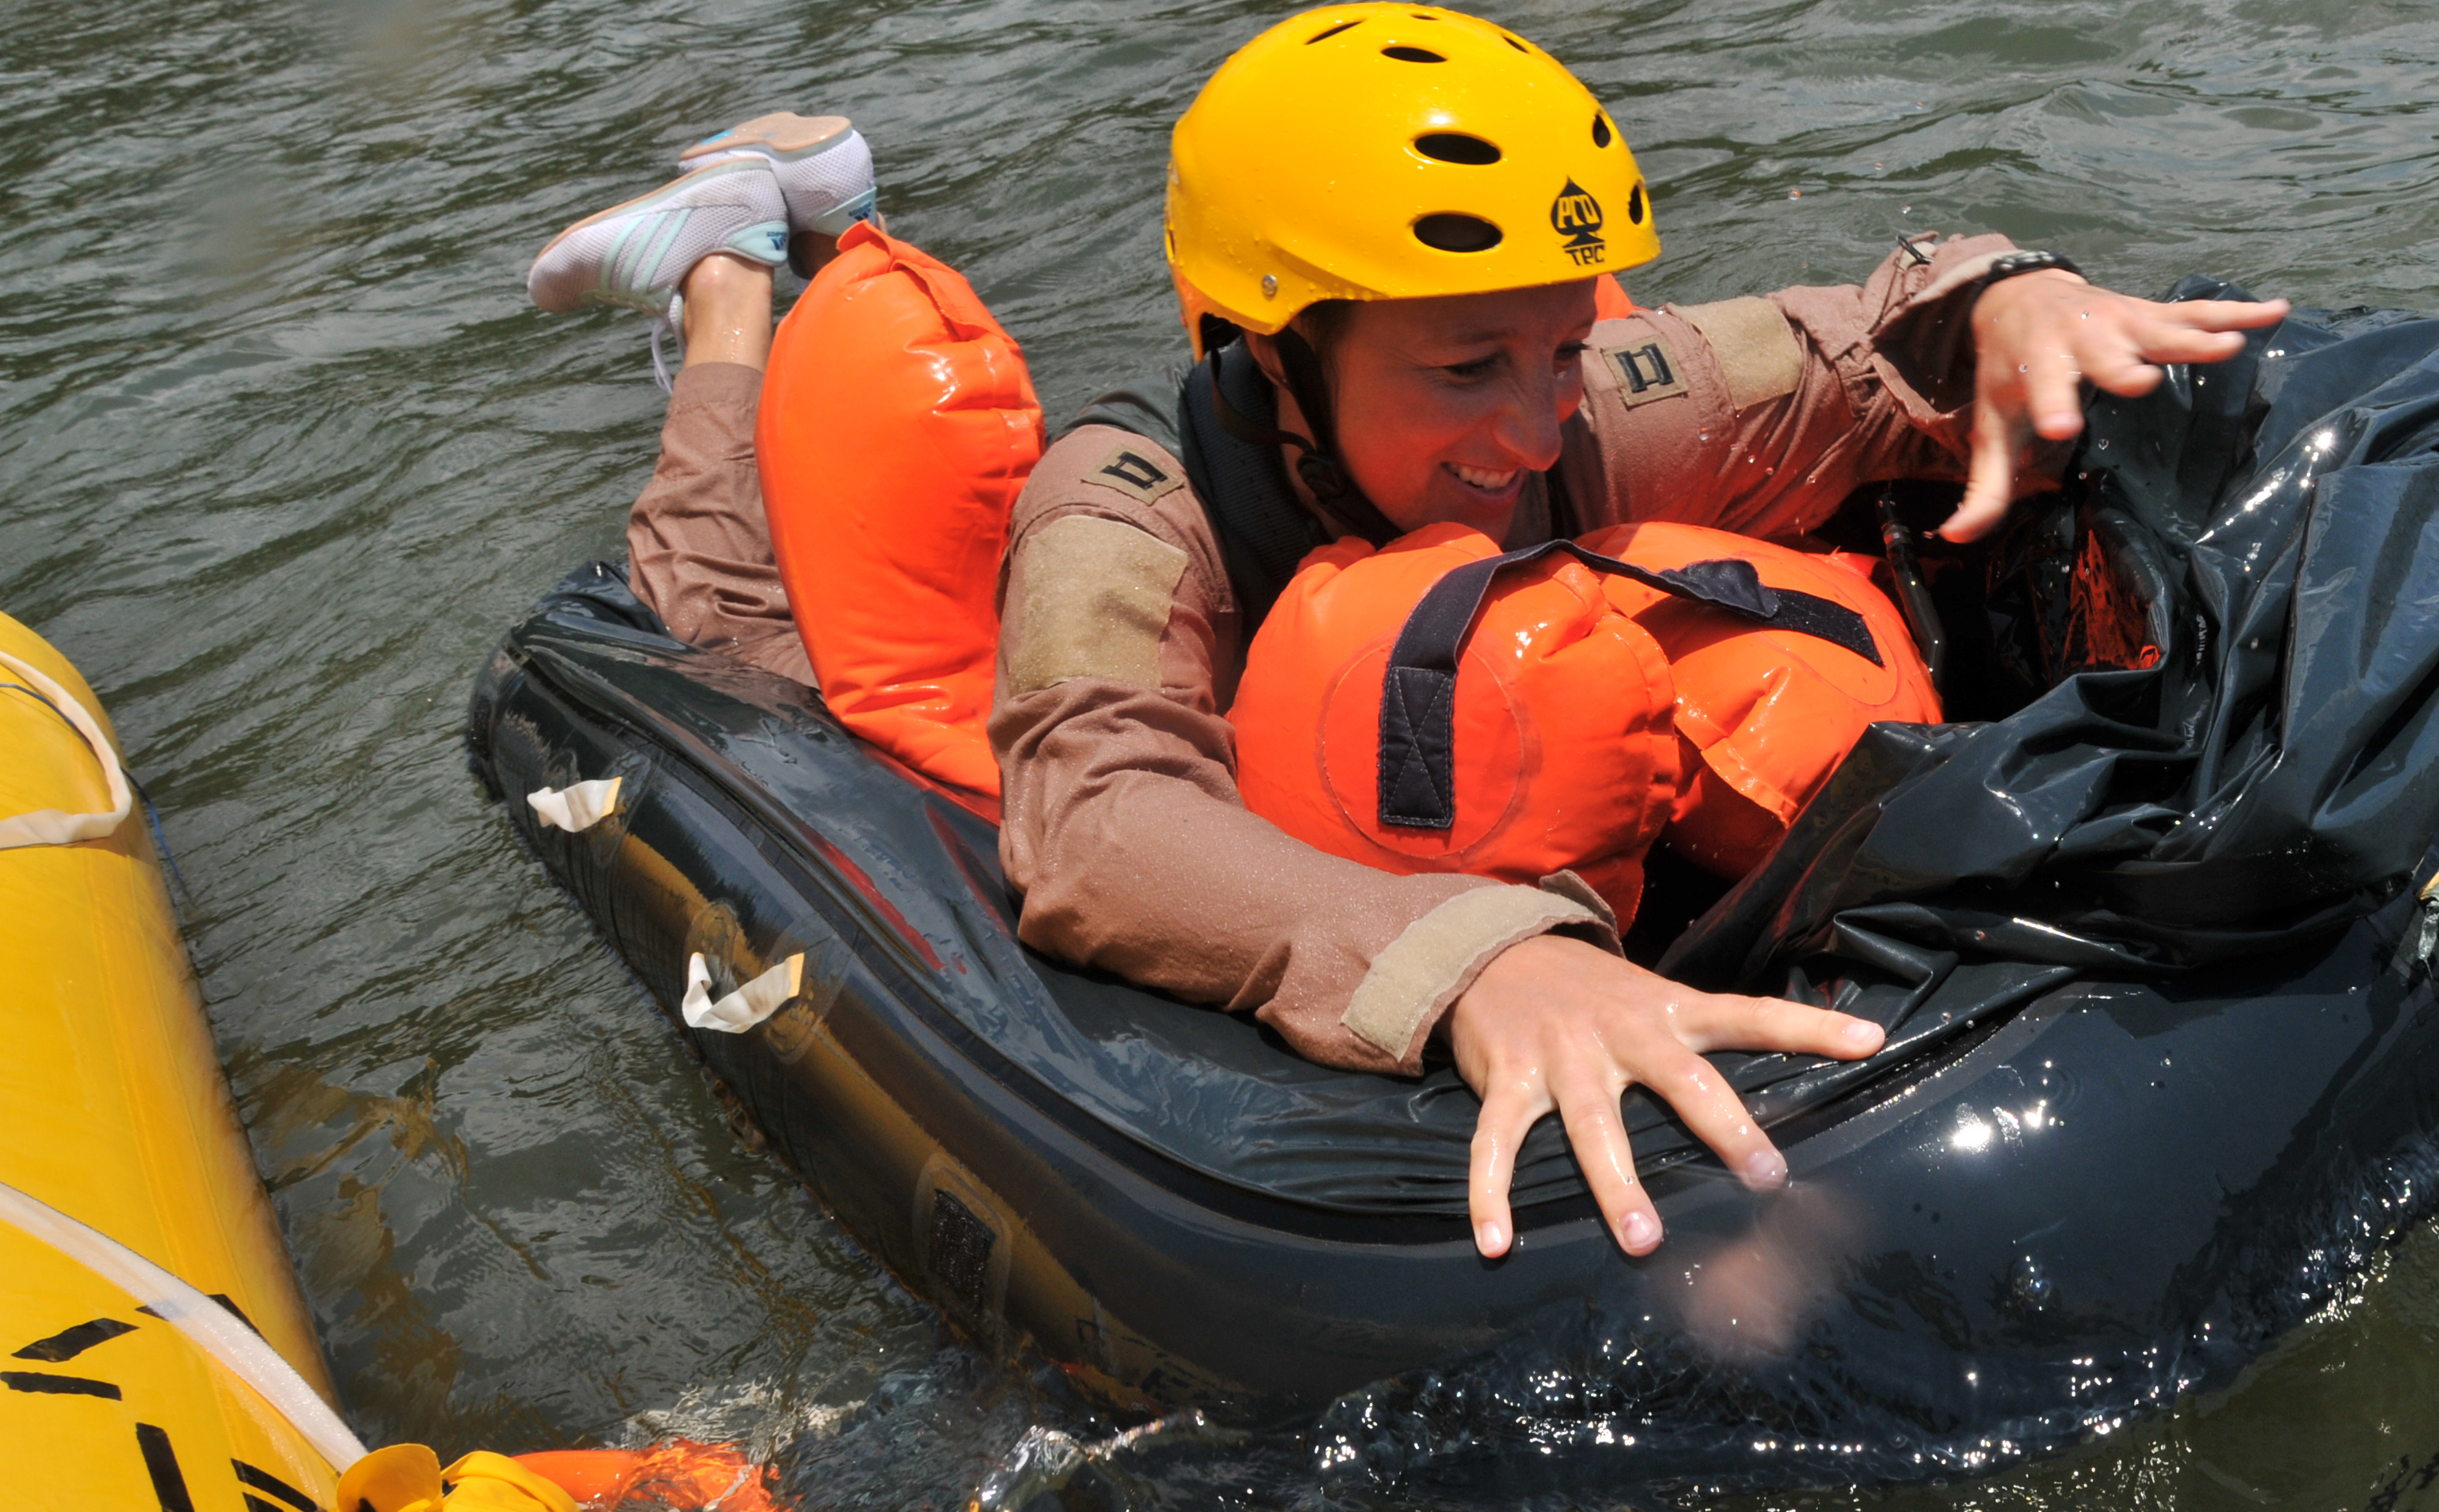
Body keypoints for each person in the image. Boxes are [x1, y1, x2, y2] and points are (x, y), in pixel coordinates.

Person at [525, 10, 2286, 1265]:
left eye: (1557, 346)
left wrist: (2010, 297)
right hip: (952, 681)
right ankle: (738, 264)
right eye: (1464, 367)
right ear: (1274, 346)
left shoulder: (1561, 394)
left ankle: (802, 212)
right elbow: (1093, 825)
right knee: (713, 589)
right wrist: (1477, 963)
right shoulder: (1123, 508)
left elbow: (1848, 346)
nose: (1532, 423)